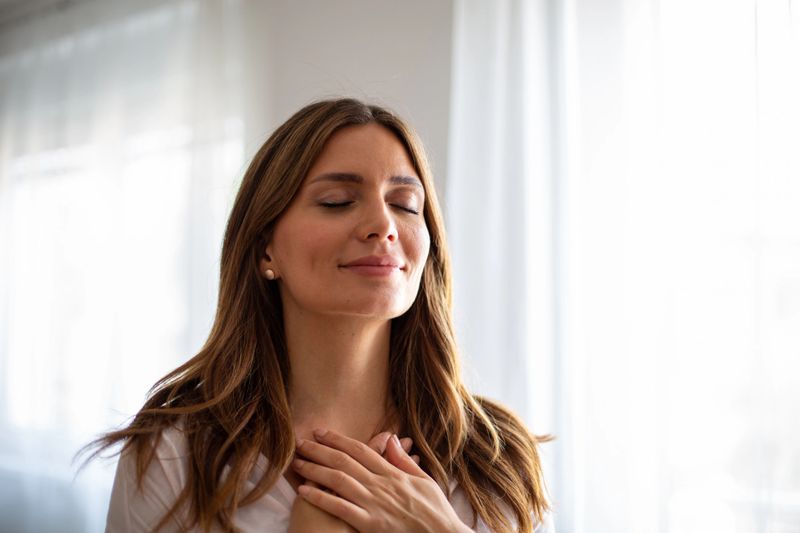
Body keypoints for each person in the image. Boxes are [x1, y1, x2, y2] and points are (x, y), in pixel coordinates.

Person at [84, 98, 553, 532]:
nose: (383, 226)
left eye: (405, 205)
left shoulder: (497, 457)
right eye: (337, 202)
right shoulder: (173, 456)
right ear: (265, 246)